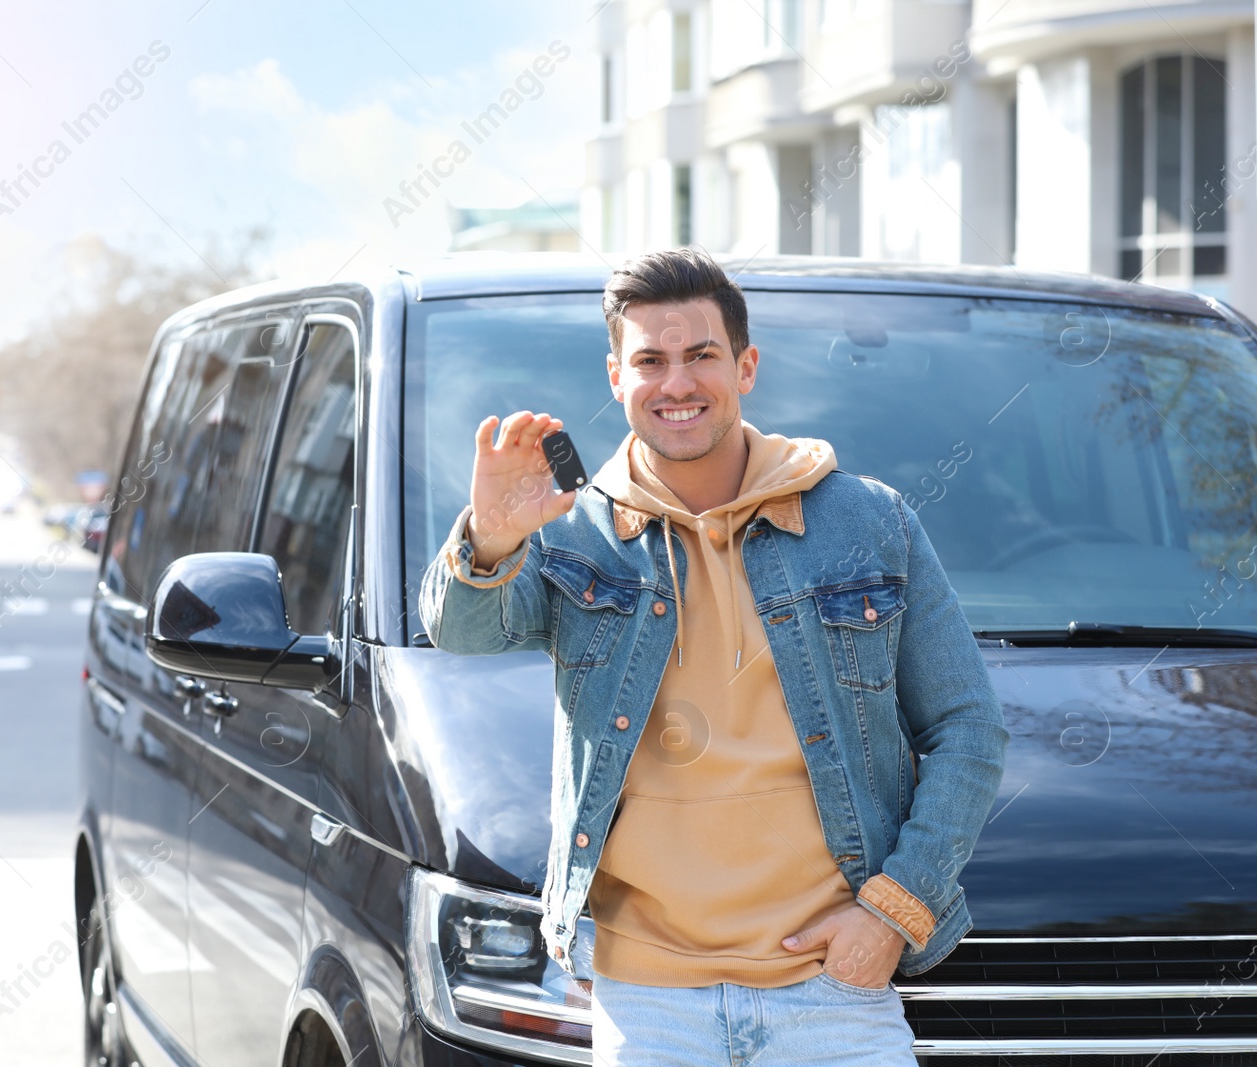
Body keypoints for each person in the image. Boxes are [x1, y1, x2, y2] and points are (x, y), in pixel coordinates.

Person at [418, 248, 1009, 1066]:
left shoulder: (870, 521)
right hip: (650, 1000)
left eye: (701, 355)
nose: (678, 383)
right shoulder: (574, 533)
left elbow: (969, 729)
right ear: (616, 376)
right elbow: (465, 631)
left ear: (746, 365)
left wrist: (893, 913)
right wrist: (490, 538)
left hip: (833, 991)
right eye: (651, 361)